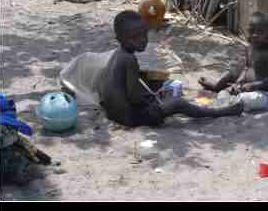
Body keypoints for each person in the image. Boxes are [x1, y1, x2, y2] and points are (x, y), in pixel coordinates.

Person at [97, 11, 243, 127]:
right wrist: (151, 101)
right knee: (178, 103)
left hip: (113, 113)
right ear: (120, 39)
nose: (143, 40)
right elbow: (134, 97)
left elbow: (114, 84)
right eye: (135, 37)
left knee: (151, 81)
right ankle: (221, 112)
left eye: (144, 34)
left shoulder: (118, 54)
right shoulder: (130, 60)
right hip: (129, 118)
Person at [199, 12, 268, 112]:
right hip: (249, 89)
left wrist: (254, 85)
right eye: (251, 31)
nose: (254, 35)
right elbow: (246, 68)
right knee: (226, 88)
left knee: (247, 98)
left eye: (260, 32)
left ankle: (230, 106)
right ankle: (218, 88)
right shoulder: (249, 49)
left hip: (267, 95)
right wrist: (238, 82)